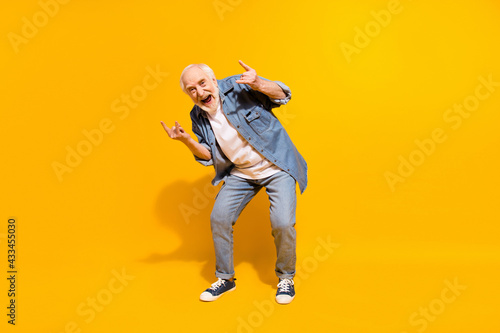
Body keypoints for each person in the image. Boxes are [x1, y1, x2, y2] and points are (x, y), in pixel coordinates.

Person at [160, 60, 307, 305]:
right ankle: (225, 279)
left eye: (202, 83)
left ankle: (286, 278)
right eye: (191, 89)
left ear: (213, 80)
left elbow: (283, 95)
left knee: (282, 222)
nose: (199, 92)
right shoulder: (197, 115)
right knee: (219, 218)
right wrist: (186, 140)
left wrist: (258, 83)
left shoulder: (239, 86)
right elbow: (208, 155)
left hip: (276, 165)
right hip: (241, 172)